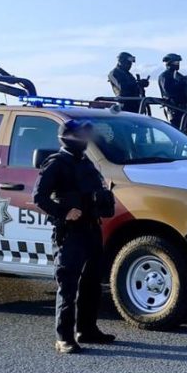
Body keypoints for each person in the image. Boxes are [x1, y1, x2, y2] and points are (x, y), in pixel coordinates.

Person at [33, 119, 117, 354]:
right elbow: (39, 197)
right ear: (68, 138)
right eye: (81, 135)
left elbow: (95, 192)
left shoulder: (86, 162)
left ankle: (87, 329)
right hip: (70, 233)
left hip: (92, 228)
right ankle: (64, 338)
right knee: (68, 285)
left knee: (91, 284)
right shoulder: (56, 163)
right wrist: (64, 212)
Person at [157, 53, 187, 133]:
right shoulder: (165, 76)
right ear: (169, 63)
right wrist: (181, 84)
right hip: (173, 109)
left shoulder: (179, 76)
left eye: (178, 63)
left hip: (183, 108)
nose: (177, 64)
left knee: (186, 132)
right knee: (176, 132)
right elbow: (169, 91)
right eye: (175, 62)